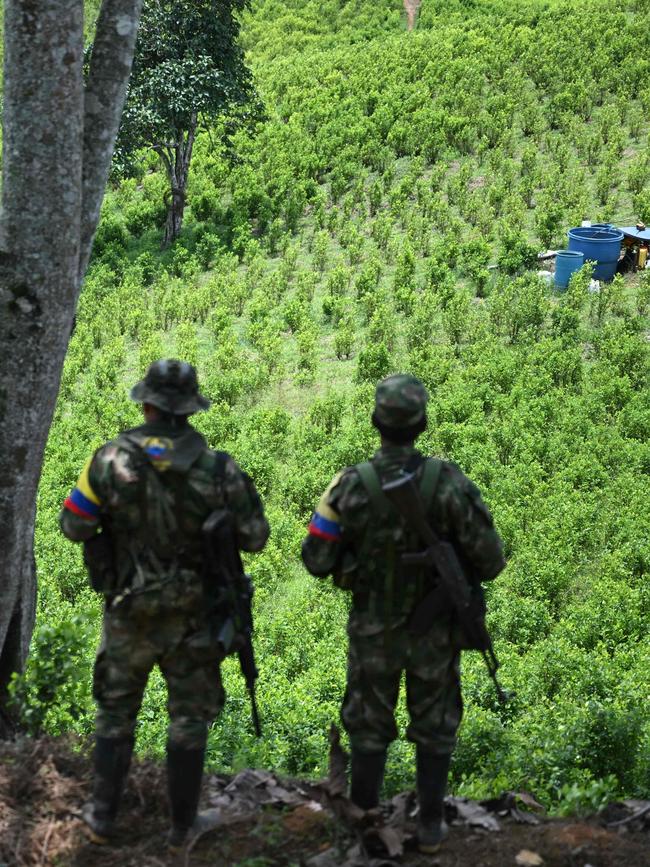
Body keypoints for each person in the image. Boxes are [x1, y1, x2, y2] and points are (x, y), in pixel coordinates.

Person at [60, 359, 269, 849]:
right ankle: (181, 827)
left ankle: (101, 816)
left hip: (129, 610)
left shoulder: (108, 460)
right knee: (189, 719)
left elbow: (74, 526)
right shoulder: (220, 469)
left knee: (115, 714)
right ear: (191, 408)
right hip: (196, 616)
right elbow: (255, 537)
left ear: (148, 404)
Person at [301, 374, 505, 853]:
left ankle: (367, 824)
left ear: (376, 423)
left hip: (374, 632)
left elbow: (316, 559)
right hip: (435, 634)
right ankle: (431, 827)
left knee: (369, 727)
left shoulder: (348, 486)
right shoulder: (449, 482)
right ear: (423, 423)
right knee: (435, 727)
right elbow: (492, 560)